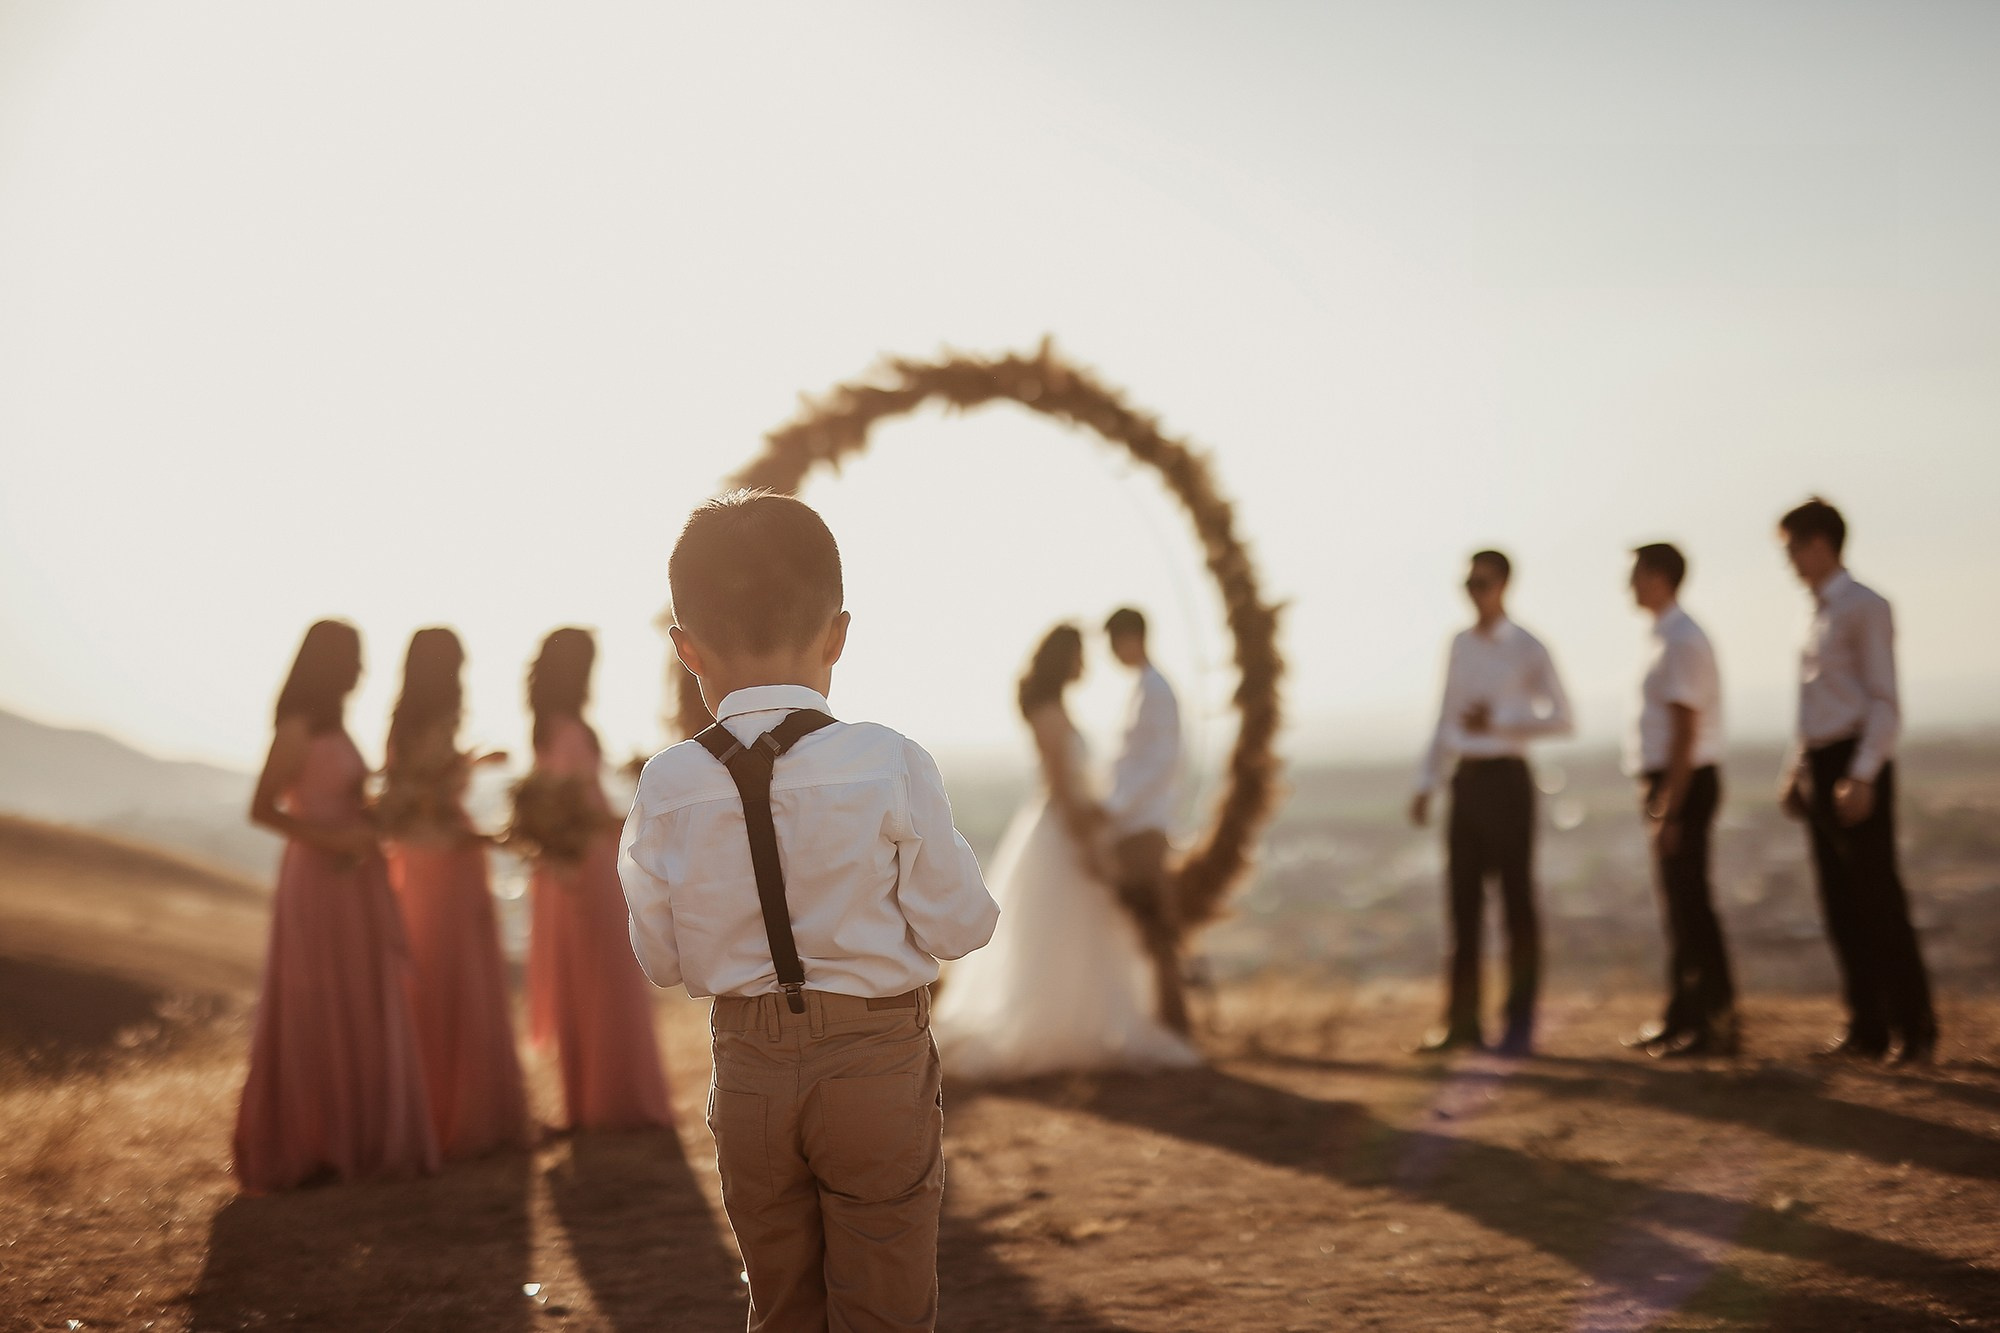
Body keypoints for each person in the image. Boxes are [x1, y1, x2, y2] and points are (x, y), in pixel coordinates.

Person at [620, 491, 999, 1332]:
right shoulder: (888, 760)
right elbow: (961, 926)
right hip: (874, 1060)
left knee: (781, 1299)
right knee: (886, 1301)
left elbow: (662, 959)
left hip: (748, 1067)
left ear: (687, 649)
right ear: (837, 634)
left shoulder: (666, 785)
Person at [930, 623, 1201, 1079]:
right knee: (1061, 928)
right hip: (1062, 833)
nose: (1085, 665)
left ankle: (1078, 1023)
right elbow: (1061, 789)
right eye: (1079, 656)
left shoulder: (1054, 709)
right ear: (1064, 659)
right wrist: (1088, 846)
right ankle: (1058, 1027)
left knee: (1072, 931)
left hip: (1070, 826)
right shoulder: (1050, 713)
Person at [234, 620, 439, 1192]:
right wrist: (337, 840)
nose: (361, 672)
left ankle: (356, 1138)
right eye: (352, 659)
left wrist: (377, 815)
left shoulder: (337, 727)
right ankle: (311, 1144)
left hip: (357, 878)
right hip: (318, 880)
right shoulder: (296, 727)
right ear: (331, 664)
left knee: (358, 999)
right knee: (317, 1003)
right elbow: (262, 808)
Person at [1778, 498, 1936, 1064]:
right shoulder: (1812, 612)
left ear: (1821, 542)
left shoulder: (1865, 606)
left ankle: (1912, 1026)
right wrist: (1798, 769)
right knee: (1839, 900)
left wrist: (1862, 774)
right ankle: (1866, 1023)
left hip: (1854, 761)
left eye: (1793, 547)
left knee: (1877, 897)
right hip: (1821, 761)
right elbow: (1813, 702)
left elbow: (1884, 701)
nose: (1789, 560)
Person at [1409, 550, 1573, 1056]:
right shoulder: (1458, 645)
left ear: (1503, 585)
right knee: (1462, 905)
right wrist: (1427, 781)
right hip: (1466, 781)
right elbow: (1444, 716)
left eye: (1482, 582)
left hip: (1508, 780)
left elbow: (1563, 718)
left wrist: (1500, 721)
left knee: (1516, 904)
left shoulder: (1528, 647)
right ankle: (1462, 1023)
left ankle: (1520, 1027)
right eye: (1468, 583)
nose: (1474, 592)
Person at [379, 627, 531, 1158]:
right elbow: (428, 800)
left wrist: (470, 764)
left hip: (426, 859)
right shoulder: (431, 722)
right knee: (452, 976)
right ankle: (463, 1117)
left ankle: (438, 1111)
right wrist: (482, 831)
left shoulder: (402, 725)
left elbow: (416, 788)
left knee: (436, 974)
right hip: (445, 857)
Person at [521, 627, 673, 1130]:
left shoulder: (546, 728)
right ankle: (615, 1098)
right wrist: (642, 814)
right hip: (587, 865)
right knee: (606, 975)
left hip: (568, 866)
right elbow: (582, 811)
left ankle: (592, 1098)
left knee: (585, 977)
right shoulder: (570, 731)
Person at [1622, 544, 1738, 1057]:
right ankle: (1683, 1015)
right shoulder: (1666, 638)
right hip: (1672, 782)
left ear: (1660, 578)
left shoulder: (1682, 641)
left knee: (1691, 905)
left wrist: (1669, 809)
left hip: (1682, 784)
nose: (1629, 584)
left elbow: (1686, 735)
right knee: (1678, 905)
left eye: (1636, 574)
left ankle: (1714, 1022)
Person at [1101, 606, 1191, 1035]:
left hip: (1144, 825)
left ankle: (1173, 1024)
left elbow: (1161, 763)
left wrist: (1117, 806)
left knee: (1155, 927)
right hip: (1133, 823)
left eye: (1113, 642)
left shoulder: (1157, 690)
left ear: (1130, 638)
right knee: (1144, 927)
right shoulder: (1143, 688)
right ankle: (1163, 1020)